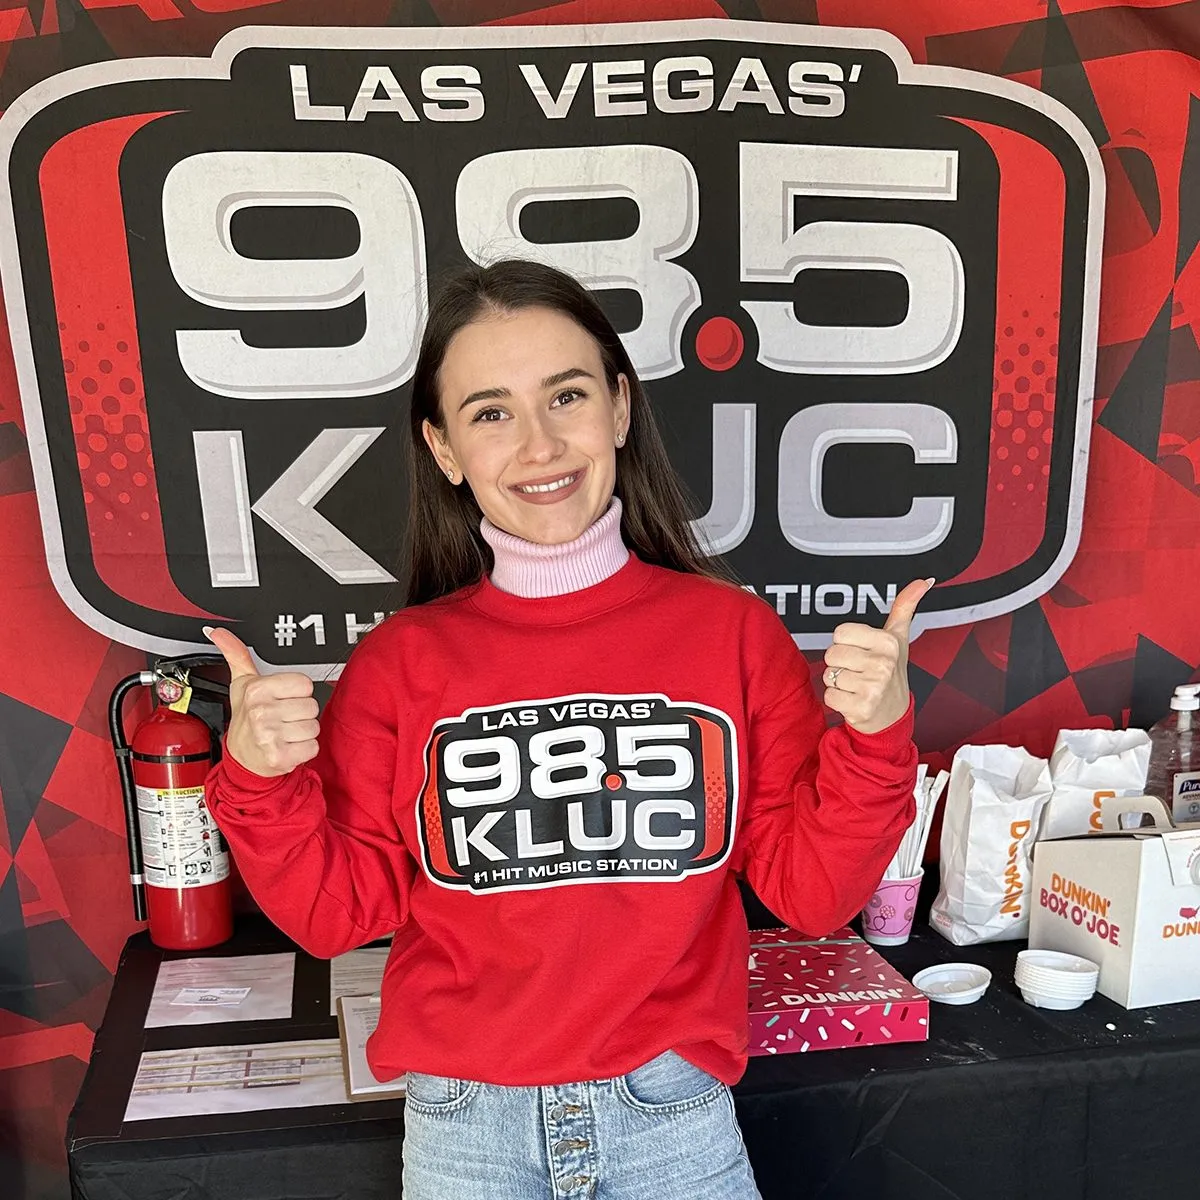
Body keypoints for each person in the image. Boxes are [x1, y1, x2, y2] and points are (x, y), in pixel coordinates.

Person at [203, 259, 926, 1199]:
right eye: (491, 413)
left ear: (619, 408)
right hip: (467, 1129)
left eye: (567, 396)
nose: (539, 444)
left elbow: (813, 895)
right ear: (444, 449)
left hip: (672, 1112)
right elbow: (337, 916)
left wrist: (877, 737)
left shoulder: (732, 634)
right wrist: (257, 781)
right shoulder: (400, 662)